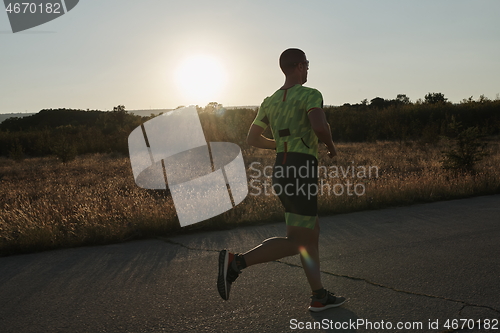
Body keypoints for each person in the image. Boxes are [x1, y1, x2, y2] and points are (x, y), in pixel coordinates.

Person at [217, 48, 345, 312]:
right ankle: (236, 263)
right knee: (299, 242)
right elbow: (319, 126)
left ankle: (319, 296)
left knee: (311, 234)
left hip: (282, 168)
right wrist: (331, 147)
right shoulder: (311, 94)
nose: (308, 69)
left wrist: (282, 144)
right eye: (307, 65)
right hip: (301, 169)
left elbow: (252, 138)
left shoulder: (270, 101)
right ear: (299, 66)